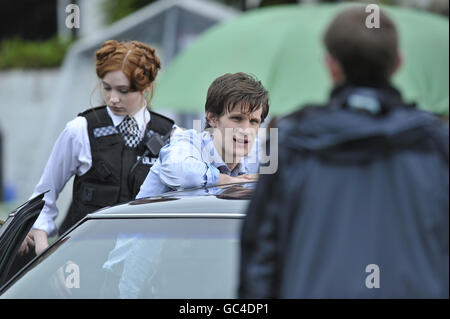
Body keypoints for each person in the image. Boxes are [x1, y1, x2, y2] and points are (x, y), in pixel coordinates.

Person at [239, 6, 449, 298]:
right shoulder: (437, 146)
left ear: (331, 66)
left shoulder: (293, 144)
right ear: (398, 64)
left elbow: (260, 261)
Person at [20, 40, 175, 256]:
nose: (113, 99)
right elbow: (44, 196)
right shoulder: (80, 130)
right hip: (80, 257)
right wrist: (45, 249)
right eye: (106, 87)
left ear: (147, 87)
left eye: (124, 90)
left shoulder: (170, 134)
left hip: (142, 263)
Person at [136, 72, 269, 199]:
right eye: (237, 119)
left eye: (254, 121)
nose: (246, 130)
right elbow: (180, 169)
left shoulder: (255, 153)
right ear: (212, 118)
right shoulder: (187, 143)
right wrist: (228, 180)